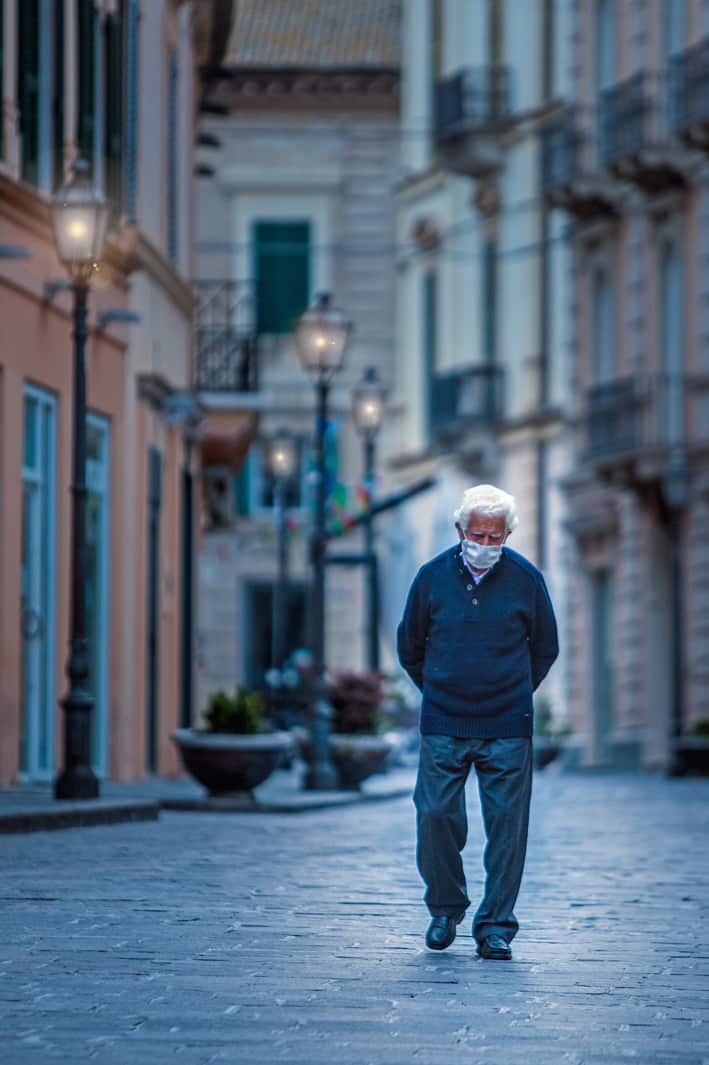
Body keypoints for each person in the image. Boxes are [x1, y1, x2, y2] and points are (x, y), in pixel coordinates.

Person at [397, 484, 558, 960]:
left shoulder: (526, 579)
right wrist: (440, 689)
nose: (485, 545)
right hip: (444, 720)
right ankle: (445, 908)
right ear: (460, 530)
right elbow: (410, 647)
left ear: (507, 534)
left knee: (508, 828)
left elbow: (545, 648)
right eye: (477, 535)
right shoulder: (431, 578)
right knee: (435, 815)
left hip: (507, 724)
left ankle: (495, 927)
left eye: (495, 537)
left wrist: (514, 691)